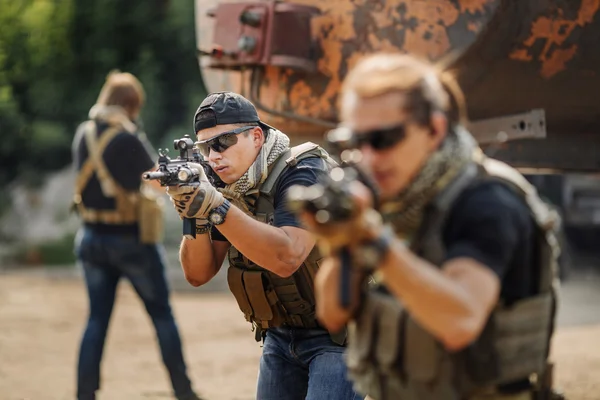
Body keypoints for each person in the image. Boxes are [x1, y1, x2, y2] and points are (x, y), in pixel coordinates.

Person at [298, 54, 562, 400]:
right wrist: (342, 242)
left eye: (383, 139)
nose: (368, 157)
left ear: (434, 129)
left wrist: (375, 240)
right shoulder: (393, 202)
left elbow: (459, 322)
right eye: (355, 142)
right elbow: (332, 313)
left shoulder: (486, 201)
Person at [166, 91, 362, 400]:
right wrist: (194, 215)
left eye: (222, 142)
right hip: (280, 336)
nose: (213, 156)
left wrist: (216, 207)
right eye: (205, 148)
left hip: (338, 338)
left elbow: (289, 256)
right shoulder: (223, 187)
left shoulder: (303, 170)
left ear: (256, 136)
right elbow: (198, 273)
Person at [72, 71, 201, 400]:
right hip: (130, 240)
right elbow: (155, 180)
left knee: (96, 320)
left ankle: (84, 394)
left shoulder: (83, 133)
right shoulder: (126, 137)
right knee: (162, 315)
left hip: (89, 237)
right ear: (131, 105)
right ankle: (184, 392)